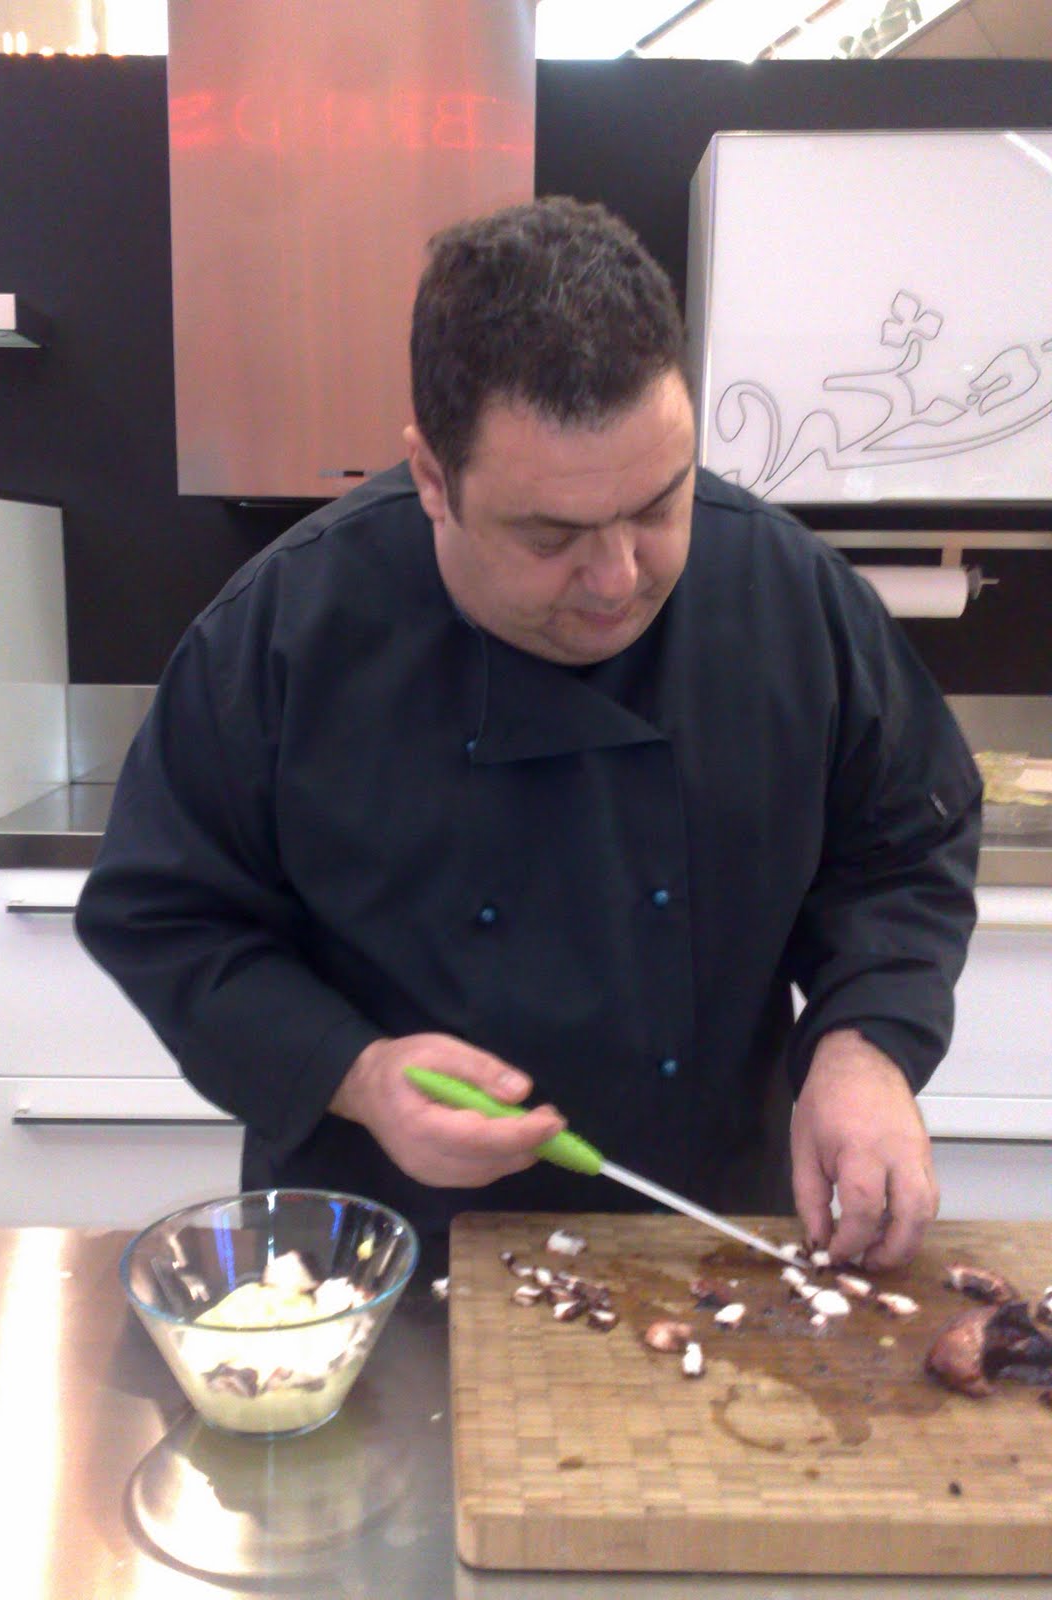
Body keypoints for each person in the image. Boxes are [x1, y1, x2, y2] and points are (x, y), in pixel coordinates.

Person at [75, 198, 981, 1270]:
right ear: (432, 479)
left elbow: (904, 844)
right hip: (379, 1256)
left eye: (660, 504)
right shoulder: (281, 635)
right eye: (552, 535)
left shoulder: (792, 599)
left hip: (709, 1245)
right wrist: (355, 1072)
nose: (618, 577)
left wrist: (864, 1045)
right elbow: (165, 914)